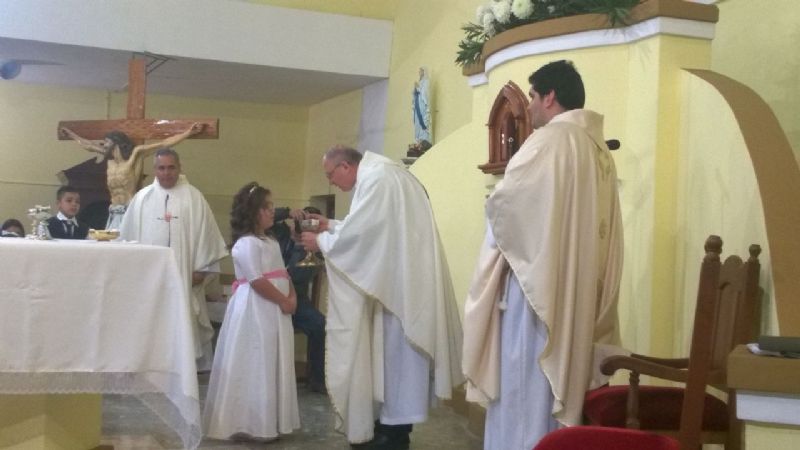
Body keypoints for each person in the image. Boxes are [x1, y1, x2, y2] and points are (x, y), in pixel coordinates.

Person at [461, 60, 624, 450]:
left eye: (533, 96)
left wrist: (492, 205)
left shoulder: (550, 141)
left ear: (550, 96)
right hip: (577, 297)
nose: (530, 106)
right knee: (554, 395)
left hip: (537, 298)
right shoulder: (598, 150)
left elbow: (507, 207)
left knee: (523, 389)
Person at [300, 146, 464, 449]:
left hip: (397, 299)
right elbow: (371, 231)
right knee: (394, 367)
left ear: (346, 166)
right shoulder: (387, 175)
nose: (331, 182)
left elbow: (363, 240)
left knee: (395, 366)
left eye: (330, 174)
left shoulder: (378, 180)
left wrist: (321, 241)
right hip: (401, 287)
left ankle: (392, 436)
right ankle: (390, 430)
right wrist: (332, 226)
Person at [203, 182, 300, 441]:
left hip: (274, 309)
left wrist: (292, 296)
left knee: (270, 360)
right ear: (252, 211)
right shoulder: (246, 243)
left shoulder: (270, 241)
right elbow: (257, 280)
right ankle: (249, 422)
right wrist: (282, 300)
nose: (272, 211)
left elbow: (282, 272)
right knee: (254, 361)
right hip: (255, 310)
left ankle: (270, 421)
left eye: (271, 206)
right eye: (266, 207)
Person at [119, 148, 228, 371]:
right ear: (154, 169)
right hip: (150, 282)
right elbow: (126, 241)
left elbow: (207, 237)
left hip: (186, 279)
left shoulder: (194, 197)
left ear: (180, 167)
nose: (166, 173)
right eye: (161, 168)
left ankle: (184, 370)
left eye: (171, 167)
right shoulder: (142, 199)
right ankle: (150, 367)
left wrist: (203, 269)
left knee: (183, 325)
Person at [59, 123, 205, 229]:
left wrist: (188, 133)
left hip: (130, 211)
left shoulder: (135, 156)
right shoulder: (109, 161)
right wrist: (71, 134)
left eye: (107, 141)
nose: (104, 144)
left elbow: (163, 144)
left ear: (116, 143)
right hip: (113, 211)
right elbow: (88, 145)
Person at [272, 206, 327, 394]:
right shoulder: (279, 233)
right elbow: (261, 218)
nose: (303, 227)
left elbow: (296, 276)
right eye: (302, 220)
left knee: (320, 325)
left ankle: (317, 379)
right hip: (270, 295)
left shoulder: (315, 249)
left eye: (310, 224)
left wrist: (299, 246)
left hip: (297, 301)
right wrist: (287, 212)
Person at [412, 67, 432, 146]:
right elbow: (415, 93)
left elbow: (424, 94)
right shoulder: (420, 82)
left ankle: (424, 139)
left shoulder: (426, 81)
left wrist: (417, 87)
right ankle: (418, 139)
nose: (419, 73)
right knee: (417, 120)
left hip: (422, 104)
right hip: (417, 103)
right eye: (419, 71)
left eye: (421, 71)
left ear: (424, 72)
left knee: (422, 119)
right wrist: (415, 89)